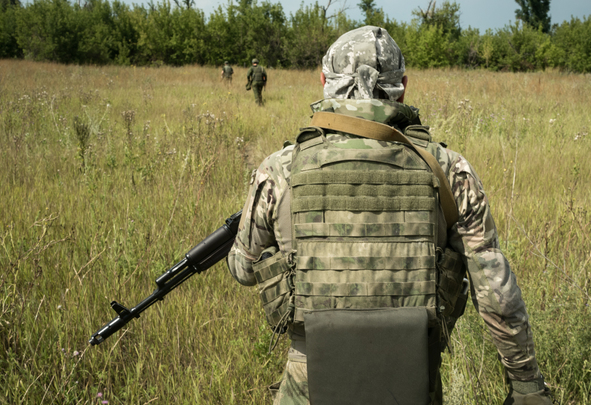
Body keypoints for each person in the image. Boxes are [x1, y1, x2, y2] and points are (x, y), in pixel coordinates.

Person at [227, 26, 552, 405]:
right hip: (413, 379)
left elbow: (244, 270)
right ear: (403, 85)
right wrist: (526, 384)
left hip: (309, 381)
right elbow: (494, 285)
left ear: (324, 81)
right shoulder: (447, 169)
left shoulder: (280, 169)